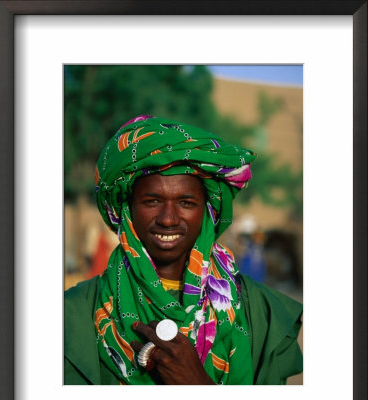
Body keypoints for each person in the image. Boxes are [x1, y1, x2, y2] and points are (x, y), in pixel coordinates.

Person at [64, 114, 303, 385]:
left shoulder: (262, 313)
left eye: (186, 203)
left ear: (208, 212)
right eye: (152, 201)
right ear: (127, 209)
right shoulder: (73, 314)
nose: (168, 219)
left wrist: (197, 384)